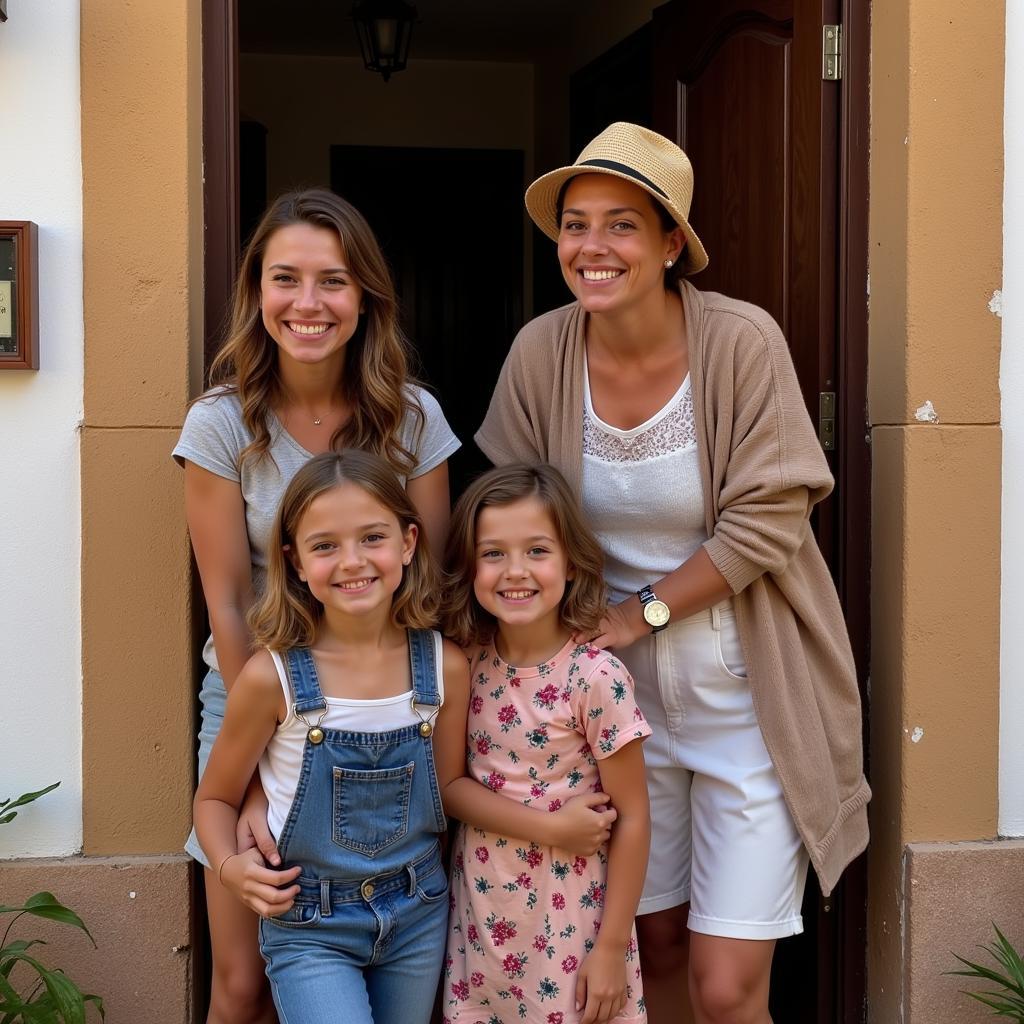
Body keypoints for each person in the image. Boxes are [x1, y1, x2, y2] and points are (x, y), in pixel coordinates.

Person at [475, 123, 870, 1024]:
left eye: (622, 224)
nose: (593, 247)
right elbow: (507, 497)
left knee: (729, 987)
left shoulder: (740, 341)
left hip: (744, 689)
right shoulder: (544, 351)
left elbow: (771, 515)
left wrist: (635, 614)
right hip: (611, 706)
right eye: (576, 224)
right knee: (654, 952)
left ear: (669, 244)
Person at [173, 188, 460, 1023]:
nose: (308, 304)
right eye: (285, 278)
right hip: (252, 701)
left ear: (365, 295)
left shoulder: (412, 419)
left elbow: (426, 591)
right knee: (242, 981)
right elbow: (228, 604)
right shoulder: (223, 424)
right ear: (256, 292)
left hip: (382, 712)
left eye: (332, 281)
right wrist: (259, 774)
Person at [194, 450, 469, 1023]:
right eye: (325, 546)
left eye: (373, 537)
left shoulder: (446, 669)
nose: (352, 562)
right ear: (294, 561)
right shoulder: (272, 678)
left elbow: (448, 795)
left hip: (418, 914)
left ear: (409, 542)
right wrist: (228, 866)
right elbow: (215, 798)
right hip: (308, 925)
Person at [440, 463, 652, 1024]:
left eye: (537, 551)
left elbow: (633, 819)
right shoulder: (465, 661)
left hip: (576, 924)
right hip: (486, 916)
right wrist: (551, 826)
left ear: (571, 563)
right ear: (468, 565)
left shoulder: (595, 678)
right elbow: (449, 788)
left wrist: (609, 951)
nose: (515, 572)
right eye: (493, 554)